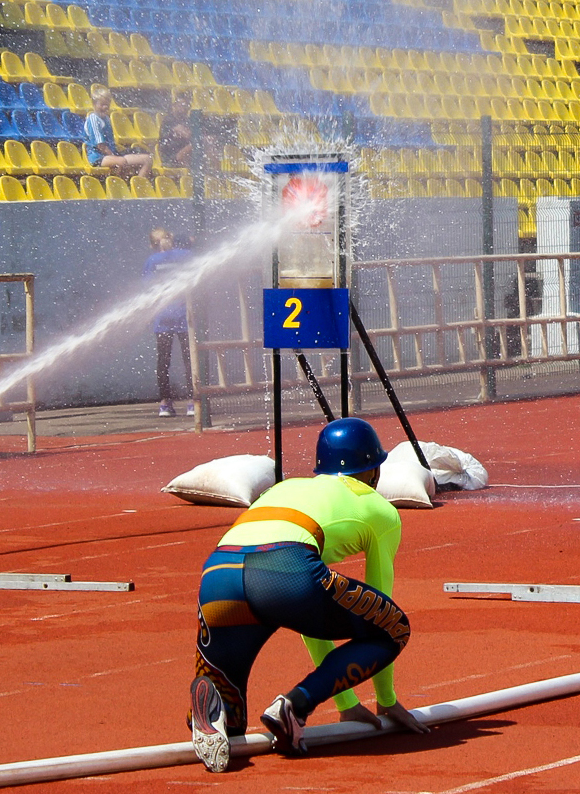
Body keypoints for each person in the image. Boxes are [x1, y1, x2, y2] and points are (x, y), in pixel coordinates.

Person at [188, 418, 430, 772]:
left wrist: (347, 703)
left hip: (218, 574)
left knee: (231, 704)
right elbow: (379, 603)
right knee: (391, 626)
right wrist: (384, 700)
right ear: (374, 470)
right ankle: (294, 706)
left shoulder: (283, 489)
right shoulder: (381, 511)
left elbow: (308, 615)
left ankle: (217, 710)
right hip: (283, 570)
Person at [143, 227, 193, 417]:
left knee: (163, 361)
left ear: (151, 245)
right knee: (191, 360)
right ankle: (192, 402)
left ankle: (165, 403)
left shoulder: (151, 261)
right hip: (185, 315)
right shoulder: (187, 255)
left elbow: (147, 288)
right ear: (171, 238)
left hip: (162, 318)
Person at [83, 88, 154, 177]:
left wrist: (115, 155)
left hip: (113, 155)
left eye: (107, 105)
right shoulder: (93, 119)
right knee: (121, 162)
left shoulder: (106, 119)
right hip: (98, 157)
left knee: (147, 159)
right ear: (94, 104)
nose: (105, 107)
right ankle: (121, 185)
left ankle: (138, 186)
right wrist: (114, 156)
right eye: (102, 104)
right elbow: (101, 146)